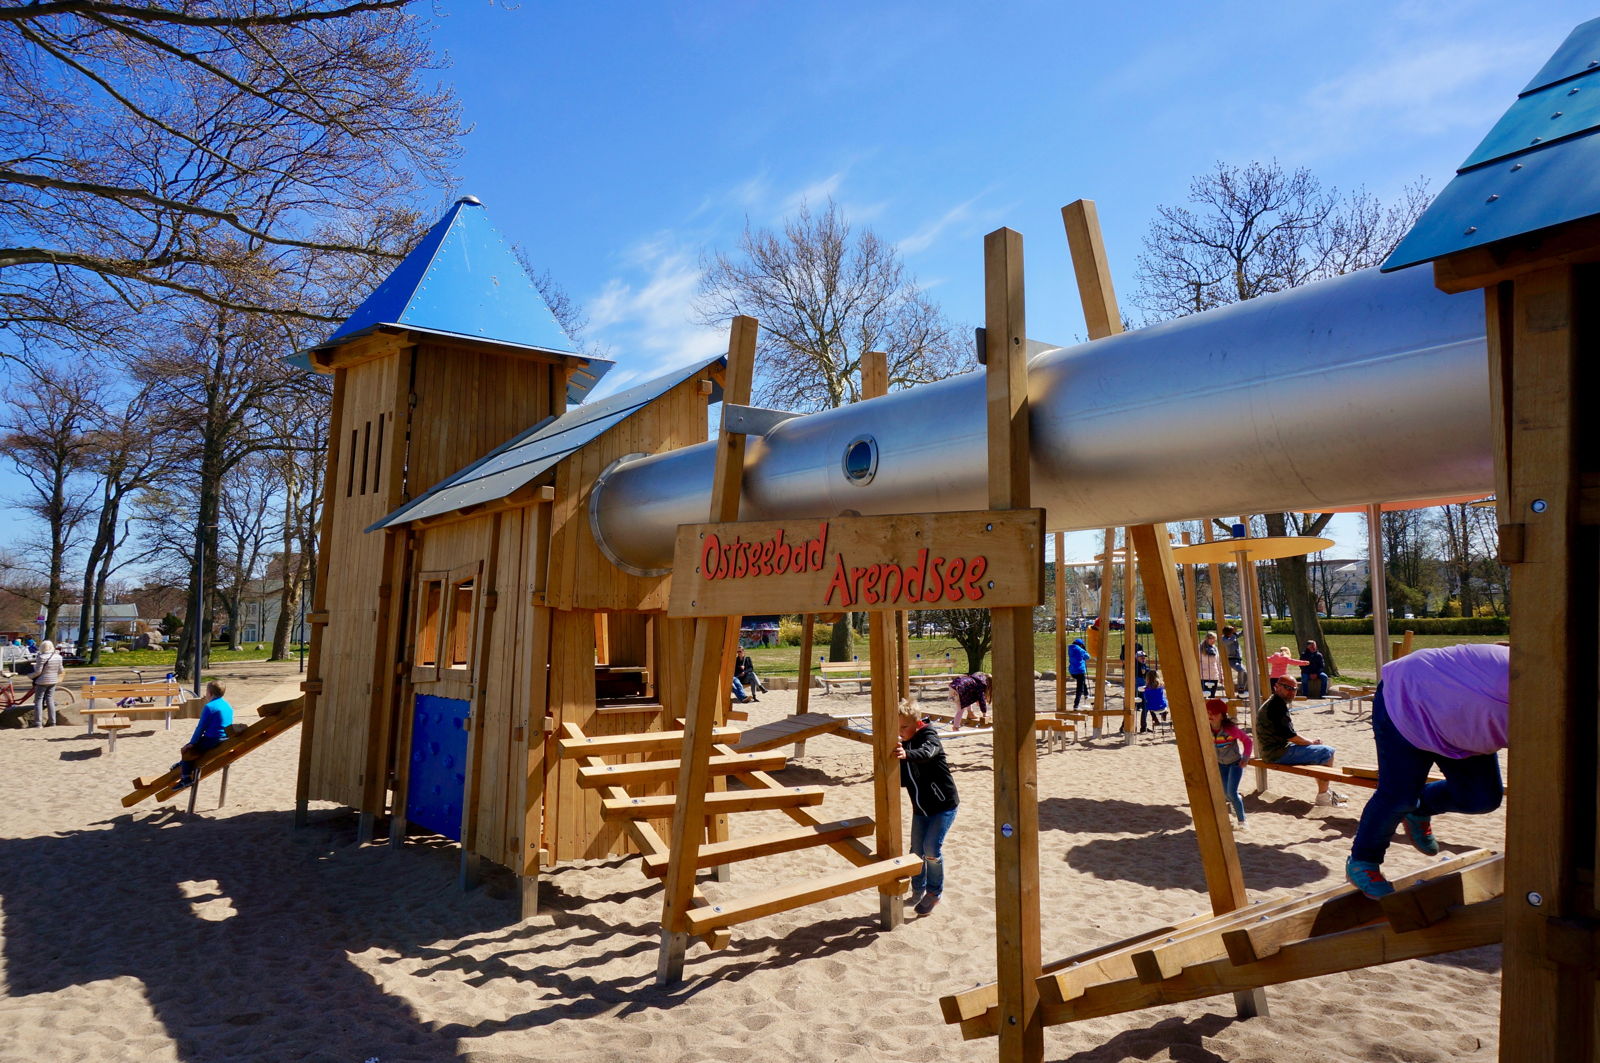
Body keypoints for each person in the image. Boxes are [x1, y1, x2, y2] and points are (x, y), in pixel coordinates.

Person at [1346, 644, 1508, 899]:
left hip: (1459, 719)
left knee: (1482, 798)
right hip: (1407, 698)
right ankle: (1363, 861)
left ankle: (1420, 809)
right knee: (1399, 796)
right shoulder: (1533, 689)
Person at [896, 702, 958, 916]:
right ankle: (917, 890)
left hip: (943, 806)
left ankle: (933, 893)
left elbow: (928, 752)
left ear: (917, 723)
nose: (900, 732)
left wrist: (907, 755)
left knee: (931, 849)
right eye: (897, 728)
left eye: (904, 727)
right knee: (916, 850)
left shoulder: (929, 735)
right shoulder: (905, 743)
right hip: (920, 809)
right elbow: (904, 780)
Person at [1257, 674, 1345, 806]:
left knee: (1318, 751)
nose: (1292, 692)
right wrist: (1311, 742)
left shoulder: (1273, 702)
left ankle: (1325, 792)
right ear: (1277, 687)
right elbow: (1292, 737)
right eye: (1288, 688)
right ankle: (1323, 796)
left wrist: (1309, 743)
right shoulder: (1277, 707)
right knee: (1327, 752)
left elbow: (1287, 735)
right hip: (1276, 753)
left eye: (1294, 689)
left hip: (1269, 751)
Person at [172, 680, 234, 790]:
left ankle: (185, 778)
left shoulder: (210, 707)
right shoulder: (227, 705)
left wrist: (192, 743)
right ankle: (182, 763)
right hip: (226, 738)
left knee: (186, 750)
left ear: (210, 693)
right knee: (193, 748)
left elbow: (201, 727)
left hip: (213, 738)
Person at [1206, 698, 1254, 829]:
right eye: (1208, 713)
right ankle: (1236, 800)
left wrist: (1245, 757)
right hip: (1220, 765)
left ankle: (1242, 822)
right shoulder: (1206, 728)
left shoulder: (1230, 729)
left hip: (1235, 764)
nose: (1210, 716)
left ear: (1222, 715)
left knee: (1231, 793)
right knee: (1225, 794)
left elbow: (1247, 741)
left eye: (1214, 713)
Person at [31, 639, 64, 728]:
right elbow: (61, 670)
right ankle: (52, 722)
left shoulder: (41, 657)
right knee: (50, 700)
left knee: (38, 700)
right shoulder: (58, 657)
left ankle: (38, 722)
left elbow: (38, 672)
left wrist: (30, 676)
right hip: (53, 681)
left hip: (41, 681)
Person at [1221, 625, 1245, 692]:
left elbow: (1242, 633)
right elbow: (1230, 641)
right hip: (1232, 659)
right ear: (1229, 632)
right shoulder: (1224, 639)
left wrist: (1245, 626)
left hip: (1238, 659)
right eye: (1232, 631)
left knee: (1245, 673)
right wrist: (1234, 633)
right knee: (1240, 670)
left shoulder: (1233, 636)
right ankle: (1240, 687)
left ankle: (1243, 689)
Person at [1067, 636, 1089, 709]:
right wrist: (1084, 650)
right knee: (1079, 689)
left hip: (1072, 671)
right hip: (1080, 670)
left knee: (1082, 682)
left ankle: (1086, 694)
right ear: (1081, 645)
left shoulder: (1070, 648)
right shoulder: (1080, 650)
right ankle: (1076, 705)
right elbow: (1088, 657)